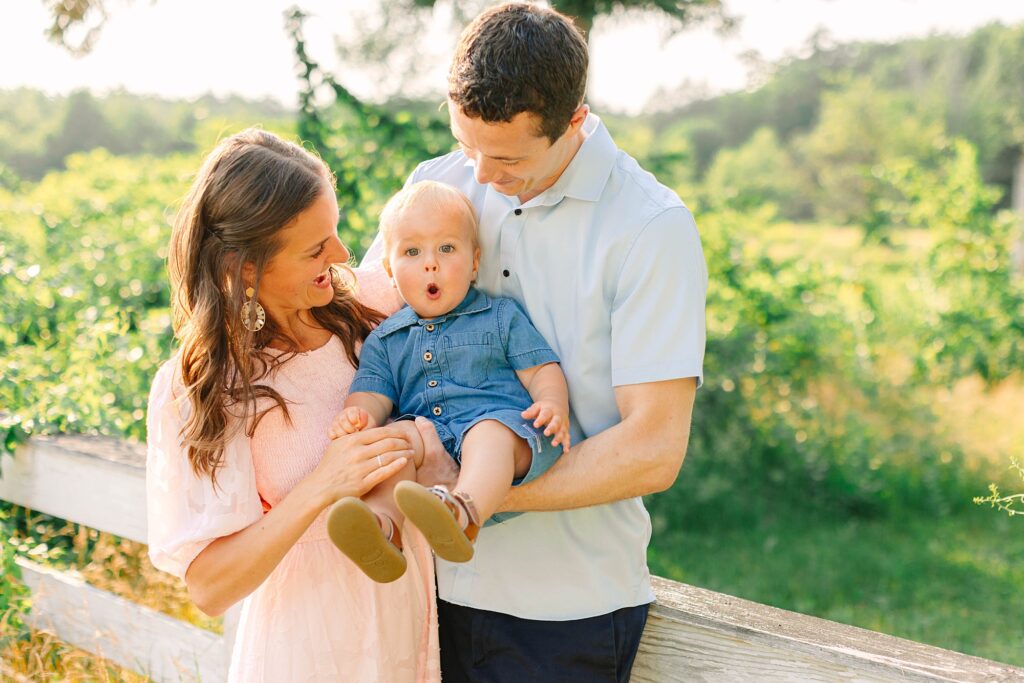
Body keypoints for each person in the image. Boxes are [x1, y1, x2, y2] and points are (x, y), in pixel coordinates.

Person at [363, 4, 707, 681]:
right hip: (424, 597)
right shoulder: (439, 189)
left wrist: (468, 497)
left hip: (563, 612)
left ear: (575, 120)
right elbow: (368, 325)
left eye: (508, 157)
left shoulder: (650, 227)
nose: (481, 178)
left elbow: (654, 450)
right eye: (468, 147)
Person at [145, 128, 440, 682]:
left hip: (408, 629)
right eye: (315, 249)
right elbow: (209, 587)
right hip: (309, 646)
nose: (343, 255)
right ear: (247, 268)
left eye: (333, 232)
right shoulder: (205, 385)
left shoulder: (374, 304)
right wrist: (323, 485)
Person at [325, 180, 570, 582]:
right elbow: (370, 395)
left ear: (475, 262)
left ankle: (463, 512)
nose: (430, 264)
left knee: (487, 432)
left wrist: (551, 403)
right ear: (389, 269)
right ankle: (383, 528)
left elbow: (541, 368)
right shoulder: (386, 340)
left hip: (507, 438)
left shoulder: (500, 316)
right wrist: (357, 418)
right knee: (396, 439)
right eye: (412, 251)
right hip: (431, 441)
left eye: (446, 248)